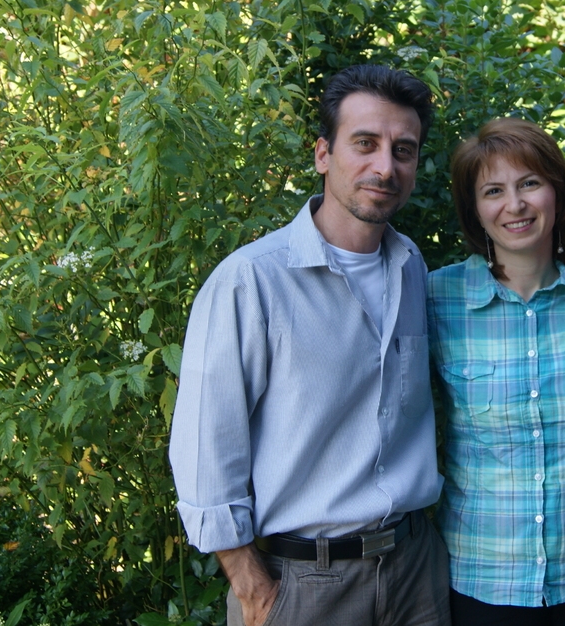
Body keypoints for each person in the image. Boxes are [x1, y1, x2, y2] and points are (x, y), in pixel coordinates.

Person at [169, 65, 450, 626]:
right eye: (364, 144)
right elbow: (205, 443)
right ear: (323, 153)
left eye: (404, 149)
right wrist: (252, 587)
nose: (385, 166)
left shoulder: (412, 266)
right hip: (303, 585)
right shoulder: (251, 281)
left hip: (416, 573)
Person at [426, 118, 565, 626]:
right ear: (474, 210)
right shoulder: (435, 298)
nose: (515, 204)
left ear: (557, 191)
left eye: (529, 183)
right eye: (493, 191)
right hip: (484, 578)